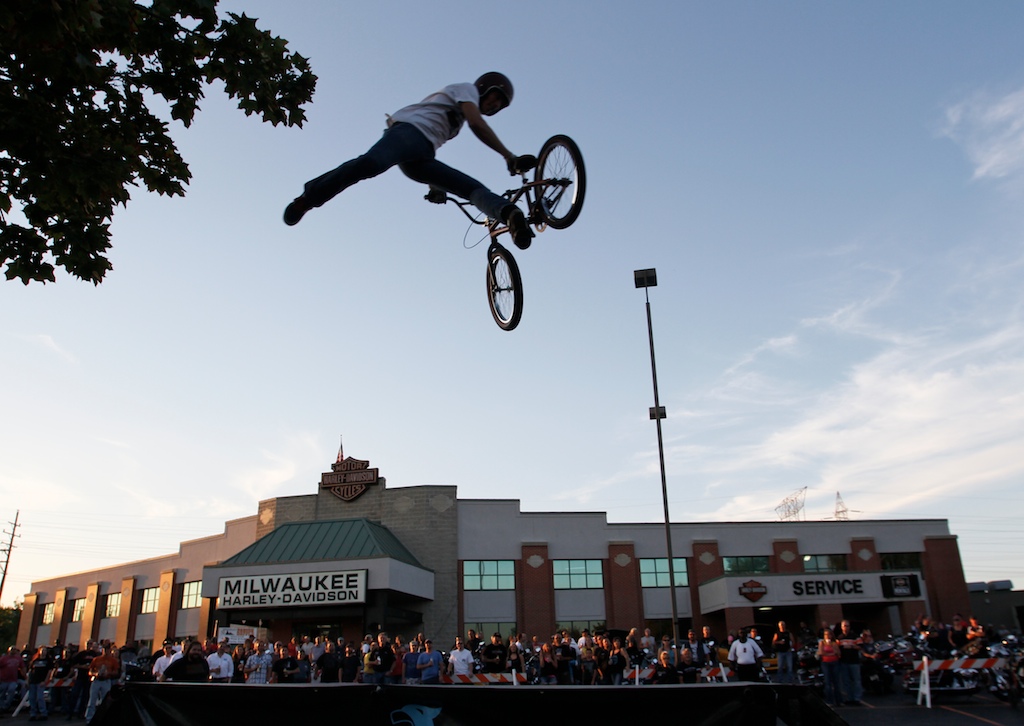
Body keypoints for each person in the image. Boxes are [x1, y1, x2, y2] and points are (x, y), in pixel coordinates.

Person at [283, 73, 537, 251]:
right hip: (405, 133)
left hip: (420, 154)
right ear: (482, 88)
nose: (492, 106)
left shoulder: (455, 122)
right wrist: (508, 156)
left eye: (497, 106)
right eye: (493, 99)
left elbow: (429, 149)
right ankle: (309, 198)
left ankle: (511, 216)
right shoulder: (465, 90)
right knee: (370, 164)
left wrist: (434, 187)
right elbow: (477, 124)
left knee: (470, 188)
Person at [84, 642, 120, 722]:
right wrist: (95, 673)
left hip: (106, 680)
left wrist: (108, 673)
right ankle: (89, 719)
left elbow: (116, 672)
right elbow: (90, 671)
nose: (106, 651)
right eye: (104, 649)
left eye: (107, 649)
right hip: (96, 680)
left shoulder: (113, 660)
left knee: (105, 701)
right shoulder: (96, 659)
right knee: (92, 700)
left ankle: (104, 718)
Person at [836, 620, 863, 705]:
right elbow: (837, 648)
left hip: (854, 661)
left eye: (847, 626)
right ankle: (849, 698)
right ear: (841, 627)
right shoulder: (839, 637)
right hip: (844, 662)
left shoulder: (855, 636)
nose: (845, 627)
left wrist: (852, 646)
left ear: (849, 627)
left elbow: (861, 647)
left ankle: (857, 699)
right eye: (844, 626)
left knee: (856, 681)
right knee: (846, 681)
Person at [27, 645, 54, 721]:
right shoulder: (35, 660)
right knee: (32, 698)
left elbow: (49, 672)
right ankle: (33, 714)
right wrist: (28, 681)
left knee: (40, 698)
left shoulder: (48, 661)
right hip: (33, 680)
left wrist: (45, 681)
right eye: (42, 650)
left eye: (45, 650)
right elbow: (30, 671)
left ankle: (43, 713)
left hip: (41, 681)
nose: (43, 652)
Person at [817, 629, 842, 707]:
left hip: (834, 663)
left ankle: (839, 701)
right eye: (826, 634)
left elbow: (838, 653)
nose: (827, 636)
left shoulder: (834, 643)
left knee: (836, 682)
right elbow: (821, 652)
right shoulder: (822, 643)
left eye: (829, 634)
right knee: (827, 682)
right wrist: (831, 653)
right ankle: (829, 700)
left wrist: (829, 652)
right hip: (825, 663)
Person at [0, 646, 25, 713]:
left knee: (12, 690)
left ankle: (7, 705)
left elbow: (22, 667)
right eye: (11, 650)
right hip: (3, 679)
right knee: (2, 694)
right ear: (8, 651)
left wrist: (25, 675)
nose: (13, 651)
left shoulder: (18, 659)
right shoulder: (3, 659)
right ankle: (1, 707)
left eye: (14, 650)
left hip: (13, 680)